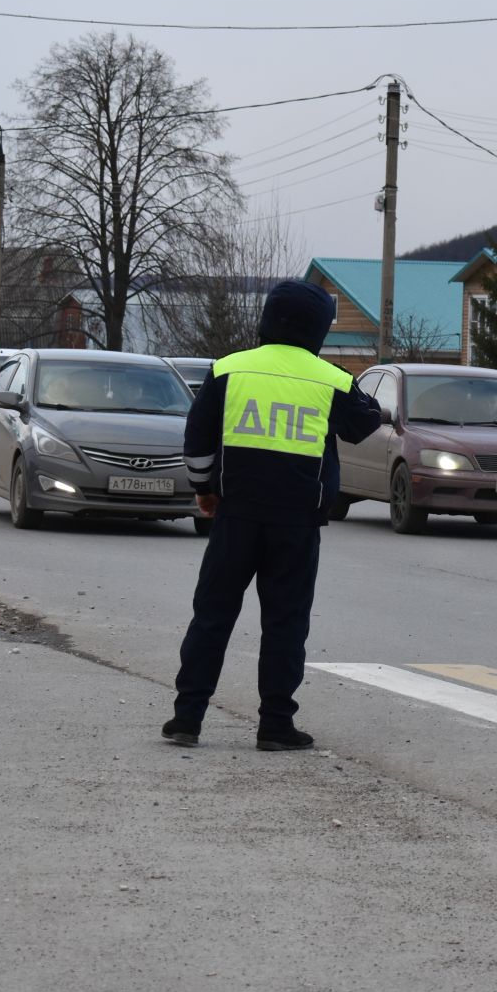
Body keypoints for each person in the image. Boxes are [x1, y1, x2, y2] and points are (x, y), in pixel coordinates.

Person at [162, 280, 382, 751]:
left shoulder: (227, 369)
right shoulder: (333, 379)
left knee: (212, 616)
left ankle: (186, 718)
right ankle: (275, 725)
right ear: (319, 328)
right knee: (285, 623)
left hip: (235, 514)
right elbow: (366, 423)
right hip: (297, 523)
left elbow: (197, 440)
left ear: (267, 318)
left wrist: (204, 491)